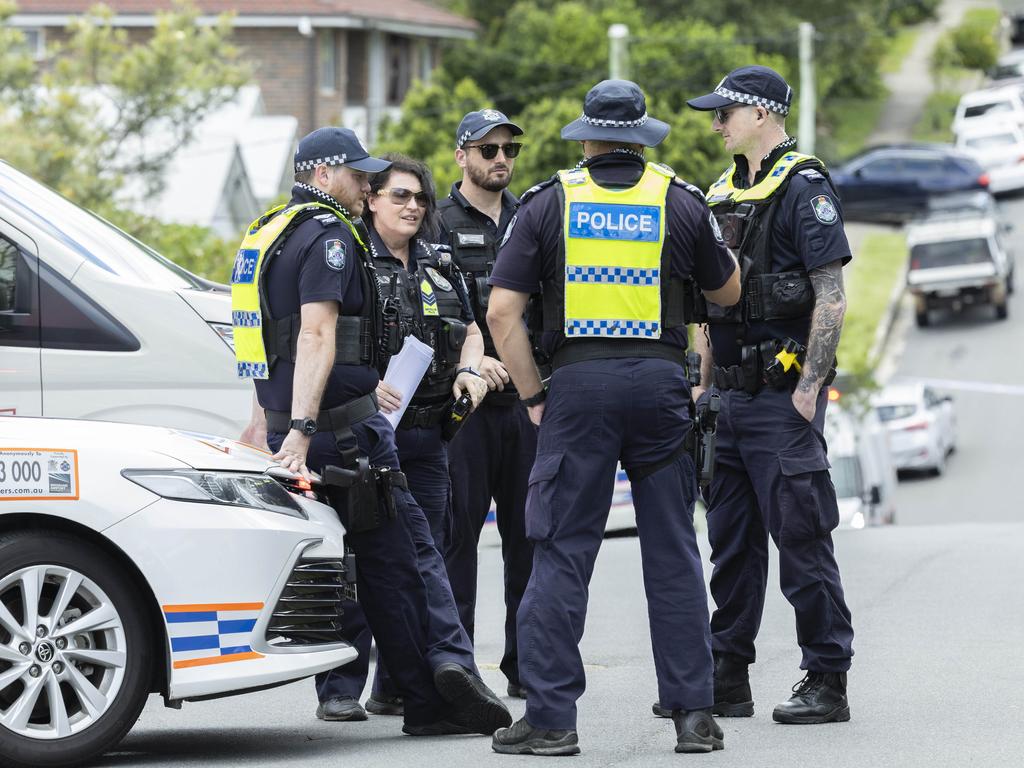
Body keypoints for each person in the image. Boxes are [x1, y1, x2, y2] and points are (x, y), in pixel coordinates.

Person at [485, 80, 741, 756]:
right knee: (673, 554)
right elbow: (728, 290)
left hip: (576, 389)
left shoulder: (548, 203)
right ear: (643, 135)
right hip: (660, 386)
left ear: (587, 137)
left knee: (563, 553)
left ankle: (551, 721)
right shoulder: (680, 201)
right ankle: (693, 716)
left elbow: (501, 314)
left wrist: (535, 396)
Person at [232, 127, 509, 736]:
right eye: (359, 176)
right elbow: (314, 335)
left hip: (298, 425)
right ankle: (432, 691)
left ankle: (417, 695)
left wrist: (267, 420)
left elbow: (257, 340)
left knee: (373, 562)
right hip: (345, 431)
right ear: (323, 174)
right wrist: (303, 430)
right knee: (407, 557)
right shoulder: (330, 236)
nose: (366, 187)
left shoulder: (266, 232)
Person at [678, 65, 855, 725]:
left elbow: (830, 293)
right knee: (731, 543)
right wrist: (703, 387)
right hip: (729, 400)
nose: (717, 124)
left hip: (783, 400)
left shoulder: (804, 187)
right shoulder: (722, 193)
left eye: (725, 113)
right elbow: (707, 309)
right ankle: (728, 675)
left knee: (803, 542)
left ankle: (826, 678)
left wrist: (810, 386)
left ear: (759, 114)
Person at [331, 153, 489, 717]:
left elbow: (474, 330)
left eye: (420, 198)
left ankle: (401, 684)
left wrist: (471, 366)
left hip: (430, 438)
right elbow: (322, 337)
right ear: (371, 199)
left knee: (426, 562)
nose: (414, 207)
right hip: (368, 437)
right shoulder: (349, 260)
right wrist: (366, 385)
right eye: (400, 196)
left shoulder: (440, 264)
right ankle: (341, 688)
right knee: (358, 560)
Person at [437, 108, 535, 700]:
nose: (501, 159)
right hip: (461, 406)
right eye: (488, 149)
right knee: (456, 541)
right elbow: (428, 306)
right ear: (462, 156)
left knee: (530, 539)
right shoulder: (435, 220)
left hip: (525, 404)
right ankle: (456, 669)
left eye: (509, 150)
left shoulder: (533, 216)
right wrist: (464, 365)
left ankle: (527, 667)